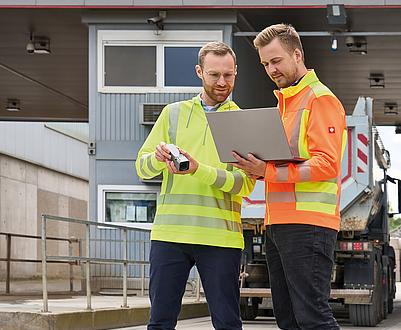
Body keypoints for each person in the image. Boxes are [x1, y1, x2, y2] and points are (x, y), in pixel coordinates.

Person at [230, 24, 346, 330]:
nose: (271, 69)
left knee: (312, 317)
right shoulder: (285, 105)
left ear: (297, 54)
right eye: (266, 64)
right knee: (289, 319)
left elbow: (327, 165)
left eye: (276, 60)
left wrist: (266, 171)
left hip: (309, 225)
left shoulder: (319, 99)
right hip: (278, 224)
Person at [135, 41, 255, 330]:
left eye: (229, 75)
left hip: (220, 239)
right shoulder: (172, 113)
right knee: (160, 322)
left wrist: (199, 170)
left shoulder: (243, 121)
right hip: (170, 235)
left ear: (236, 72)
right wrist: (157, 158)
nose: (222, 82)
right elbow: (141, 166)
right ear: (199, 72)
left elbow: (245, 184)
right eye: (214, 75)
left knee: (227, 323)